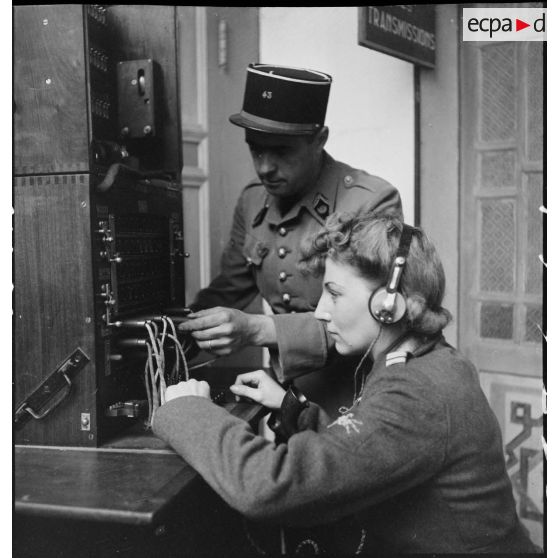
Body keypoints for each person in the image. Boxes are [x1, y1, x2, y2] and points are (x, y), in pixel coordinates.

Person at [154, 208, 540, 554]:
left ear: (388, 305)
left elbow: (270, 487)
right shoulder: (427, 361)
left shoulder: (416, 392)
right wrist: (292, 407)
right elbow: (372, 451)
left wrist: (188, 409)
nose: (321, 312)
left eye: (334, 294)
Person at [178, 63, 402, 410]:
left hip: (357, 401)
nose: (265, 166)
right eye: (255, 149)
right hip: (284, 398)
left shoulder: (370, 201)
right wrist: (179, 328)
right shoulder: (253, 199)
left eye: (282, 151)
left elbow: (371, 320)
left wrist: (257, 330)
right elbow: (230, 288)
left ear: (319, 140)